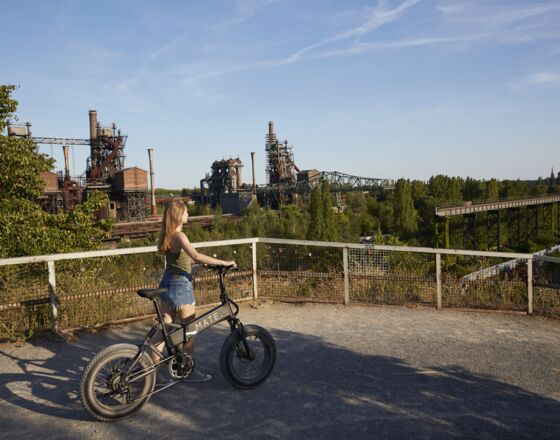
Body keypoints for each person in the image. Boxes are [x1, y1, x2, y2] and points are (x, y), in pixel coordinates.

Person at [152, 201, 236, 382]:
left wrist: (204, 263)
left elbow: (183, 260)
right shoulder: (180, 236)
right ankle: (188, 372)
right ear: (179, 215)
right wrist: (223, 262)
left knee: (164, 331)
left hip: (167, 282)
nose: (188, 215)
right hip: (181, 285)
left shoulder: (168, 235)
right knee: (189, 331)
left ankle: (151, 374)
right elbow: (195, 255)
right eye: (186, 212)